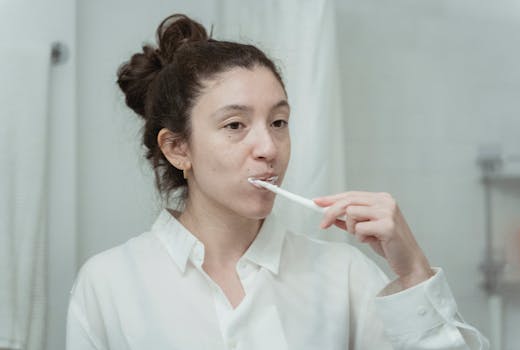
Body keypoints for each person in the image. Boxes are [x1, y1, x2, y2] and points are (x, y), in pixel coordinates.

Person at [66, 13, 488, 350]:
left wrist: (412, 272)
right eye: (235, 125)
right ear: (179, 149)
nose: (269, 146)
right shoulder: (108, 285)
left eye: (279, 121)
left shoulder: (344, 277)